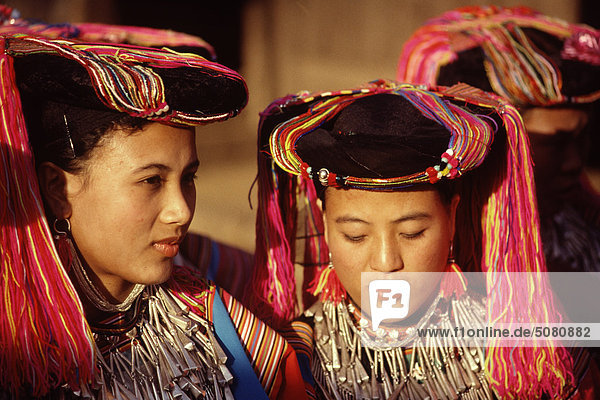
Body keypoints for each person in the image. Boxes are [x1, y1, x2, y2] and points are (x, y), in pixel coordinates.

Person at [0, 12, 305, 400]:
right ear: (58, 189)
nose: (181, 211)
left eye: (188, 178)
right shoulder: (19, 347)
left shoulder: (214, 319)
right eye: (150, 181)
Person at [246, 79, 598, 399]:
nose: (386, 263)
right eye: (355, 235)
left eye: (412, 233)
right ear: (325, 224)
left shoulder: (529, 351)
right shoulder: (291, 360)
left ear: (453, 218)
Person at [397, 5, 600, 273]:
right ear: (488, 144)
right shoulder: (424, 249)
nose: (575, 162)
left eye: (581, 137)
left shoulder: (579, 225)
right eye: (556, 143)